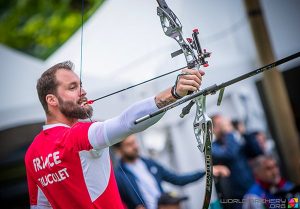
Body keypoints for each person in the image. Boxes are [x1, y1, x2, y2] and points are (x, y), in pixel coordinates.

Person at [24, 61, 204, 209]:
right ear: (51, 100)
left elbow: (40, 207)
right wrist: (174, 93)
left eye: (81, 85)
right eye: (72, 87)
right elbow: (126, 123)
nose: (83, 92)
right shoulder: (78, 136)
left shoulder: (32, 154)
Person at [114, 134, 230, 209]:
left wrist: (206, 171)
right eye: (129, 145)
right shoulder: (117, 176)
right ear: (119, 150)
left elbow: (177, 179)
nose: (135, 146)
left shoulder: (149, 163)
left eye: (135, 142)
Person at [211, 115, 263, 209]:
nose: (224, 126)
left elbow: (257, 152)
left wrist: (244, 133)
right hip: (236, 198)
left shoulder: (235, 139)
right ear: (213, 129)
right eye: (219, 124)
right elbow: (230, 154)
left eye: (224, 123)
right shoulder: (213, 148)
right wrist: (229, 133)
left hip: (253, 189)